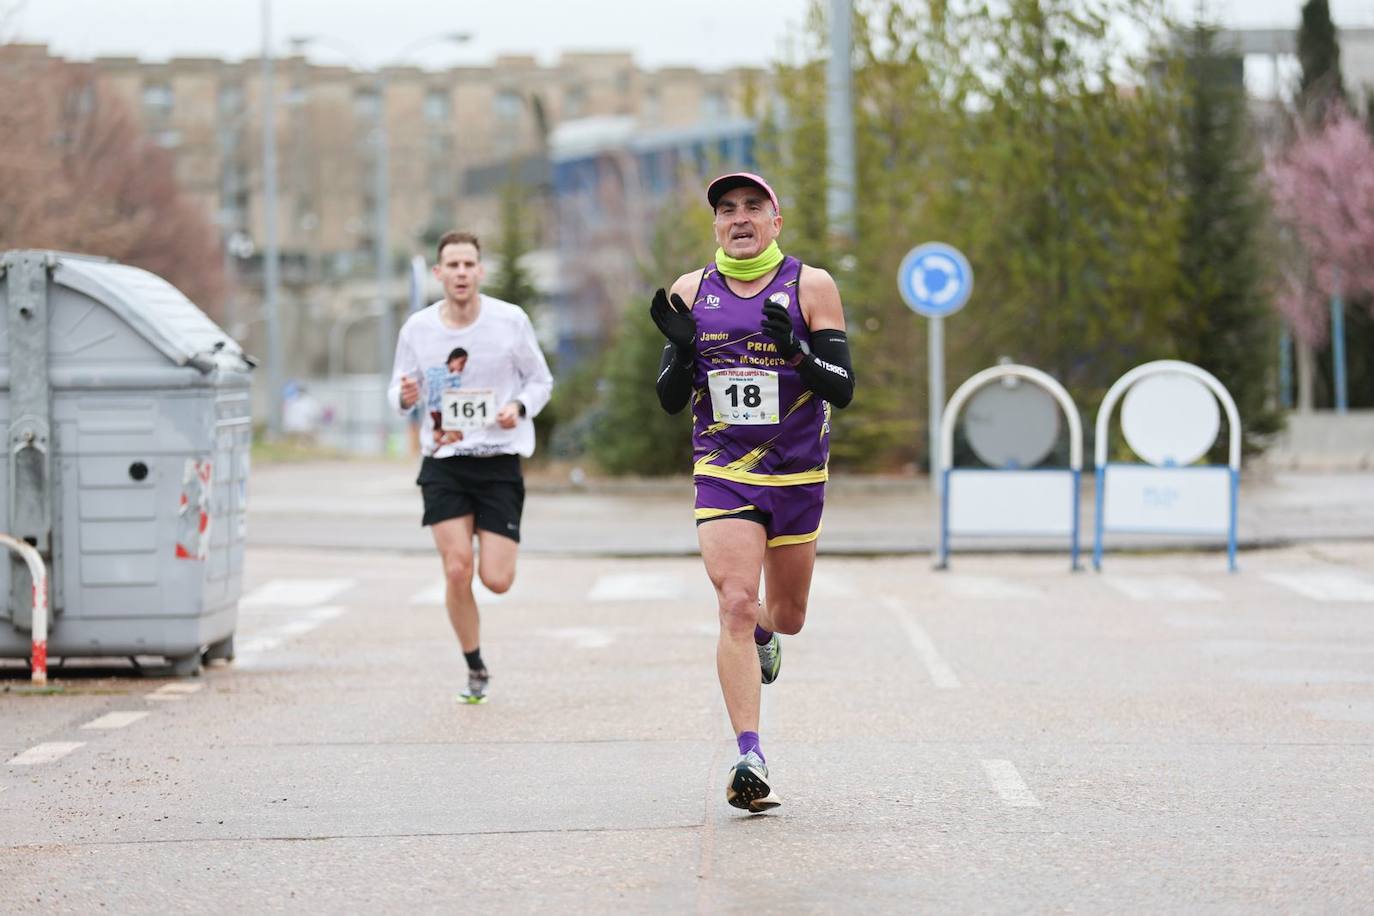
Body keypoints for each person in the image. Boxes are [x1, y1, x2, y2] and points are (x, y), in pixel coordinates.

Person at [651, 172, 855, 812]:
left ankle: (770, 636)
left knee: (785, 615)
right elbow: (666, 398)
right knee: (736, 601)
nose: (739, 218)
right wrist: (682, 355)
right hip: (724, 468)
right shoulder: (692, 291)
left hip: (796, 473)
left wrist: (797, 348)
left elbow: (841, 386)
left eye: (752, 207)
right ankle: (750, 755)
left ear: (776, 220)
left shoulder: (810, 285)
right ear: (715, 225)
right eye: (727, 210)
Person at [388, 230, 554, 704]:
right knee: (457, 568)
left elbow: (541, 381)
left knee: (496, 580)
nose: (461, 273)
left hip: (498, 460)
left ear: (480, 271)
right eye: (452, 265)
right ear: (439, 274)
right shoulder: (418, 329)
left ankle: (488, 553)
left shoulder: (509, 321)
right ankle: (474, 665)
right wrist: (404, 398)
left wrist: (518, 409)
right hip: (445, 462)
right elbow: (398, 389)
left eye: (468, 265)